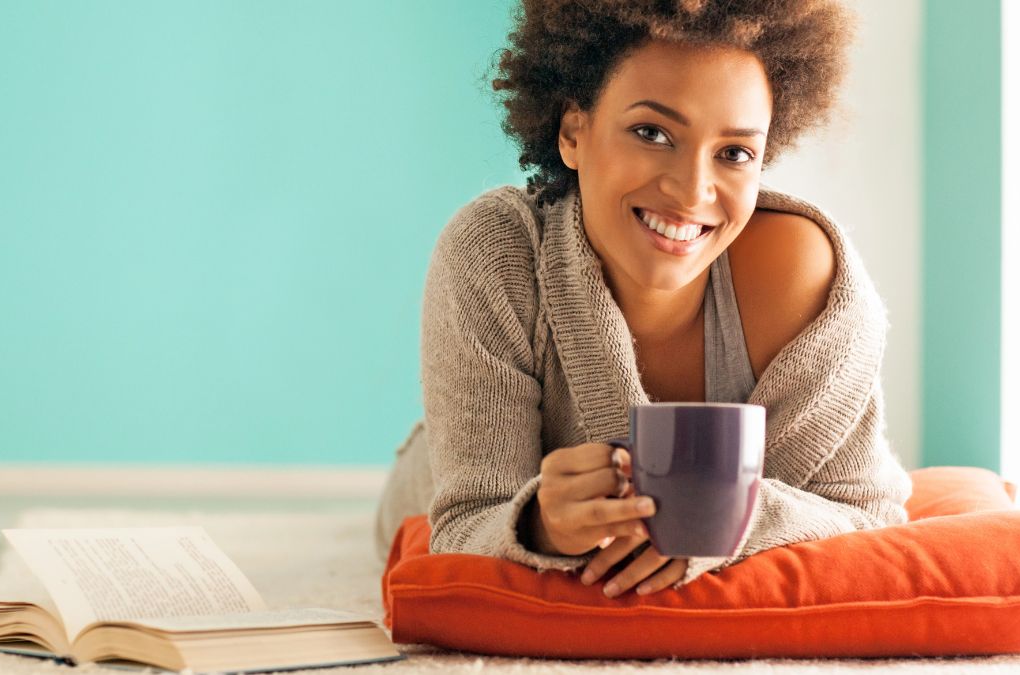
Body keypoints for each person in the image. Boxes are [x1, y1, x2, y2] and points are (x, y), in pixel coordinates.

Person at [374, 0, 911, 599]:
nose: (691, 191)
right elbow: (463, 521)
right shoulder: (498, 250)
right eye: (652, 133)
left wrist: (733, 521)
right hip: (437, 470)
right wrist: (540, 526)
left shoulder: (805, 276)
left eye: (734, 153)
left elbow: (867, 518)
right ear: (573, 132)